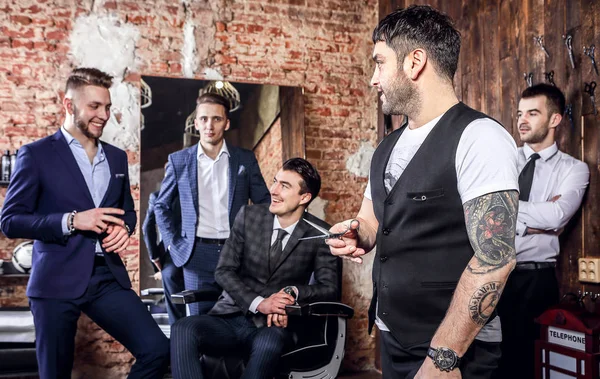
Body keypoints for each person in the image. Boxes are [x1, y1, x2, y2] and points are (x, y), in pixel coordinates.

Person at [327, 5, 520, 378]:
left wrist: (443, 356)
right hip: (393, 335)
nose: (373, 78)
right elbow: (371, 220)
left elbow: (495, 259)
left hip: (455, 350)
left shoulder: (480, 137)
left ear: (414, 62)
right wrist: (357, 233)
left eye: (379, 63)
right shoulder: (387, 145)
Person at [0, 67, 169, 379]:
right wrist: (73, 220)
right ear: (69, 105)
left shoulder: (117, 158)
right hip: (55, 279)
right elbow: (10, 220)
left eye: (107, 106)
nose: (104, 115)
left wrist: (125, 229)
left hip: (106, 277)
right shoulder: (35, 155)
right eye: (94, 106)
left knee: (158, 350)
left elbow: (127, 212)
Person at [169, 158, 339, 379]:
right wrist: (260, 303)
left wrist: (293, 293)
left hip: (273, 327)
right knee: (183, 328)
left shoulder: (321, 234)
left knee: (270, 342)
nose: (273, 190)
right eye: (275, 181)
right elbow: (224, 270)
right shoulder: (249, 216)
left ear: (304, 197)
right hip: (229, 317)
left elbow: (329, 288)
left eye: (284, 186)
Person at [495, 84, 590, 379]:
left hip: (536, 280)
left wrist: (507, 211)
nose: (522, 120)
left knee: (530, 363)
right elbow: (482, 209)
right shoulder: (503, 161)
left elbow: (557, 215)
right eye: (520, 113)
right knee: (491, 361)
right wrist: (535, 222)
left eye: (532, 113)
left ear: (554, 120)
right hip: (493, 274)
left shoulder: (575, 169)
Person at [155, 92, 271, 316]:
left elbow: (264, 203)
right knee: (200, 326)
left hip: (237, 254)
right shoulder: (179, 161)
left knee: (238, 323)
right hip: (196, 254)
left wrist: (256, 243)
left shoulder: (244, 159)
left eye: (216, 119)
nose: (210, 125)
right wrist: (174, 244)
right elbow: (161, 206)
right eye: (204, 119)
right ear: (196, 123)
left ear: (226, 123)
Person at [142, 167, 186, 325]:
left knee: (176, 313)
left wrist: (156, 259)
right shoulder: (193, 195)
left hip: (170, 260)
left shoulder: (156, 196)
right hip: (198, 254)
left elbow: (147, 228)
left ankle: (178, 341)